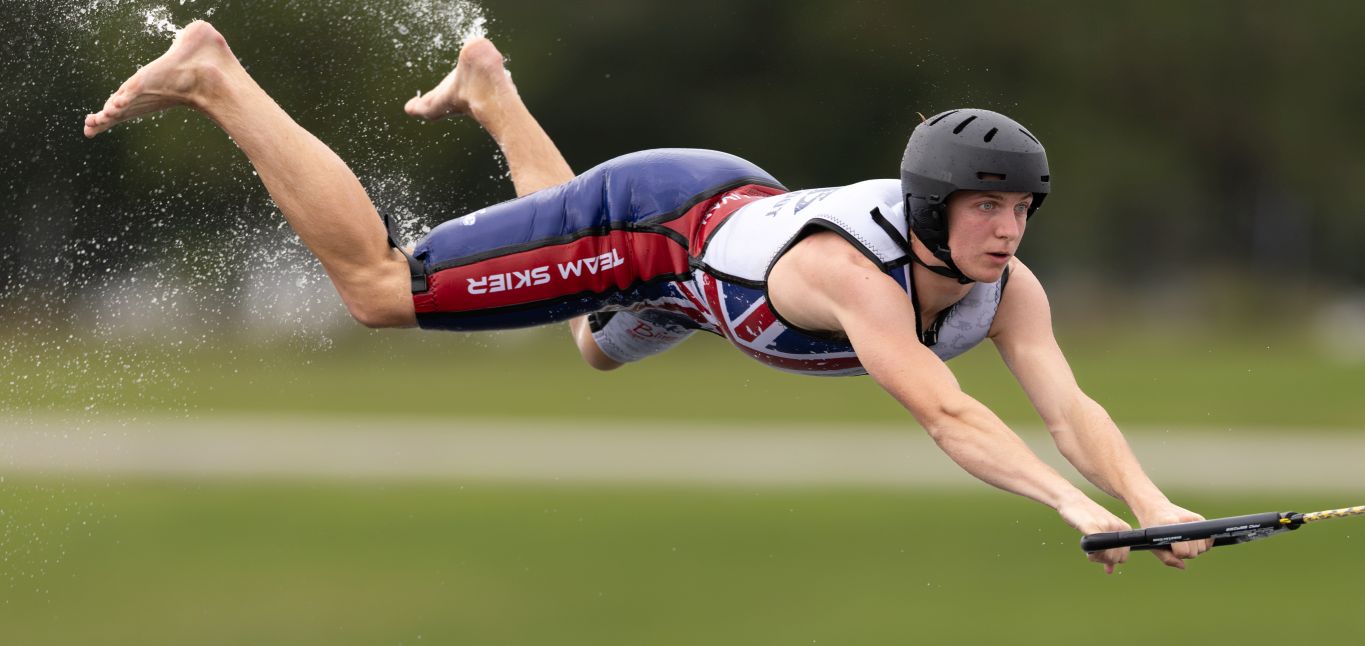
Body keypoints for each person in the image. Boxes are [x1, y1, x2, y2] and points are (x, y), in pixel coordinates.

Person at [84, 21, 1212, 573]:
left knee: (592, 349)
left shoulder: (1004, 288)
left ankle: (490, 89)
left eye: (1021, 210)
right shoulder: (847, 275)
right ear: (930, 207)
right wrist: (1069, 508)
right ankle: (216, 75)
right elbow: (951, 414)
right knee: (381, 291)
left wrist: (1154, 500)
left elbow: (1069, 411)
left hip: (712, 262)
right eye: (985, 209)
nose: (1007, 231)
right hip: (656, 225)